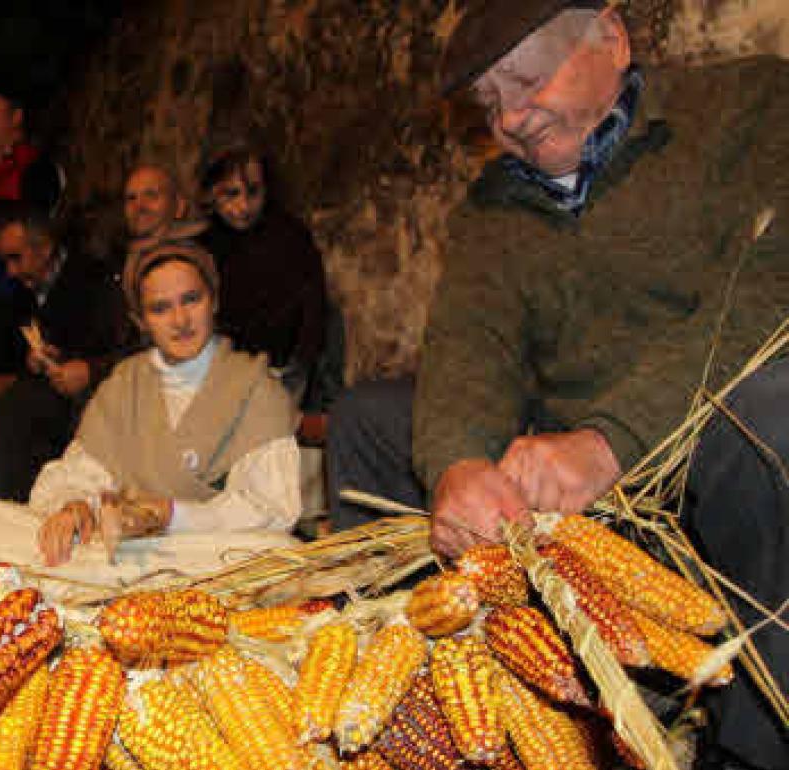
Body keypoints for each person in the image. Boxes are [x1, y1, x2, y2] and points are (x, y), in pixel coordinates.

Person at [337, 2, 787, 766]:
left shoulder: (748, 106)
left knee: (771, 414)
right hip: (570, 485)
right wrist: (459, 465)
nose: (510, 118)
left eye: (527, 80)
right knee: (366, 419)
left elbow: (769, 288)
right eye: (488, 104)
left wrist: (614, 440)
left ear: (611, 38)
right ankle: (454, 706)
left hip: (702, 427)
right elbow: (470, 343)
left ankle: (754, 745)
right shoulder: (493, 206)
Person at [0, 234, 300, 592]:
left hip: (195, 552)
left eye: (191, 300)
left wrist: (171, 515)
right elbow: (81, 471)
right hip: (116, 549)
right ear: (141, 320)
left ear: (214, 302)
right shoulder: (126, 383)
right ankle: (104, 585)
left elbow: (270, 510)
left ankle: (81, 586)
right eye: (160, 308)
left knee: (280, 553)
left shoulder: (255, 387)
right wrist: (74, 506)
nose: (179, 320)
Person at [0, 202, 129, 514]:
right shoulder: (21, 292)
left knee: (12, 420)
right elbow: (11, 357)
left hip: (83, 400)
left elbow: (123, 352)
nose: (10, 271)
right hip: (37, 390)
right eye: (5, 261)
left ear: (45, 249)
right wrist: (13, 374)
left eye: (16, 258)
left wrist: (87, 369)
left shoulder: (94, 281)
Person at [198, 146, 329, 403]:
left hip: (283, 373)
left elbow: (313, 313)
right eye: (231, 194)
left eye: (254, 192)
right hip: (224, 376)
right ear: (213, 192)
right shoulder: (205, 248)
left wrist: (296, 373)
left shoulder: (291, 237)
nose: (243, 206)